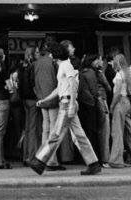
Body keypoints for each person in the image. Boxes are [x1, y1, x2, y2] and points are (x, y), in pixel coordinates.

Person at [29, 42, 101, 176]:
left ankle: (40, 161)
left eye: (51, 53)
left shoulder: (65, 65)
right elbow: (60, 88)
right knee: (79, 135)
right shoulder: (64, 65)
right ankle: (93, 163)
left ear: (55, 54)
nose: (50, 55)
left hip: (66, 103)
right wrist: (45, 100)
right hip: (67, 101)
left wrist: (72, 103)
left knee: (56, 133)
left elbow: (72, 83)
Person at [108, 54, 131, 168]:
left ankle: (116, 160)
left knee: (117, 132)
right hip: (127, 102)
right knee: (130, 132)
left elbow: (117, 92)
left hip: (120, 102)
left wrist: (112, 106)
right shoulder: (127, 74)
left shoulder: (119, 75)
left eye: (114, 61)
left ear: (117, 62)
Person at [33, 41, 64, 171]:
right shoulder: (54, 62)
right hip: (53, 98)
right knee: (53, 129)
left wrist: (40, 97)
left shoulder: (36, 63)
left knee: (45, 129)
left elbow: (33, 81)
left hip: (42, 99)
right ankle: (51, 161)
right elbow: (59, 80)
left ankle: (42, 159)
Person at [18, 46, 40, 165]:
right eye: (36, 52)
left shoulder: (22, 66)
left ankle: (26, 155)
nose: (38, 54)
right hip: (32, 100)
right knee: (33, 129)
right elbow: (32, 84)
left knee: (27, 129)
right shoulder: (33, 66)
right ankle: (32, 157)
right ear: (31, 54)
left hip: (24, 100)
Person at [78, 54, 100, 159]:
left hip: (83, 103)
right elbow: (94, 90)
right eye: (97, 60)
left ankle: (86, 156)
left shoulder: (81, 72)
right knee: (93, 131)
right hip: (91, 103)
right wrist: (95, 98)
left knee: (85, 130)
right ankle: (95, 156)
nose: (98, 62)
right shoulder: (91, 73)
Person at [93, 56, 111, 166]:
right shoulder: (99, 73)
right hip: (102, 101)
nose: (102, 61)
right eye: (99, 59)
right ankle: (105, 159)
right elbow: (108, 87)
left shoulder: (88, 73)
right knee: (105, 130)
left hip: (95, 101)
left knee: (99, 130)